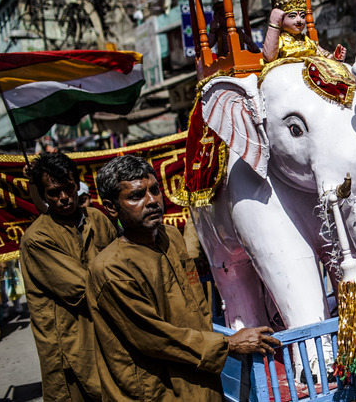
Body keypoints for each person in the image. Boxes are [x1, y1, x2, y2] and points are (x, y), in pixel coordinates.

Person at [88, 155, 281, 401]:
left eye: (154, 190)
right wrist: (228, 345)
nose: (151, 201)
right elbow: (153, 337)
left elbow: (195, 310)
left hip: (200, 378)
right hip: (156, 389)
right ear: (111, 207)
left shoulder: (171, 237)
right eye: (136, 196)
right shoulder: (110, 269)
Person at [19, 152, 117, 401]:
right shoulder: (37, 239)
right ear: (43, 195)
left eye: (68, 188)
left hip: (106, 331)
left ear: (77, 183)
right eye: (53, 193)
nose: (63, 198)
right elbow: (84, 287)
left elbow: (121, 263)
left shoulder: (97, 219)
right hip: (69, 342)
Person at [262, 0, 345, 63]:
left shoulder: (307, 40)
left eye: (302, 16)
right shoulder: (280, 40)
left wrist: (335, 57)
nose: (299, 20)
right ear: (281, 18)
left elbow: (325, 57)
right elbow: (270, 57)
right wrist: (274, 24)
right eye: (292, 16)